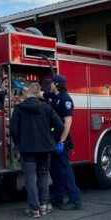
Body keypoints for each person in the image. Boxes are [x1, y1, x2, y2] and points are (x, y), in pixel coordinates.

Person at [10, 81, 64, 218]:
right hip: (45, 148)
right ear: (38, 93)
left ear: (27, 93)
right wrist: (50, 138)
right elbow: (60, 126)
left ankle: (34, 209)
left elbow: (13, 130)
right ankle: (44, 205)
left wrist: (19, 143)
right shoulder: (46, 108)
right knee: (43, 174)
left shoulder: (19, 108)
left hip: (27, 149)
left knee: (30, 178)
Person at [42, 74, 82, 210]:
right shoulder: (53, 96)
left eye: (51, 83)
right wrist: (21, 86)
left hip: (61, 140)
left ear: (57, 85)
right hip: (52, 139)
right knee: (54, 170)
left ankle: (75, 199)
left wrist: (62, 141)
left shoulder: (66, 100)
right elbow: (39, 94)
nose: (50, 85)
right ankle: (57, 198)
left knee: (65, 171)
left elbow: (68, 123)